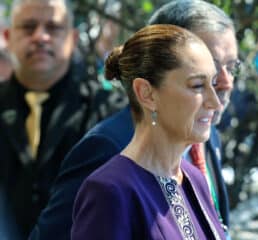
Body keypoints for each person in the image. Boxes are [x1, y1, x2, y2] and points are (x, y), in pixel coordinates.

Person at [30, 0, 239, 239]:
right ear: (146, 92)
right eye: (198, 85)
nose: (224, 86)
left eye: (231, 68)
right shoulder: (107, 171)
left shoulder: (194, 173)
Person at [71, 23, 225, 239]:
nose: (214, 102)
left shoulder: (194, 178)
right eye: (197, 85)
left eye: (213, 83)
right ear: (146, 94)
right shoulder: (110, 191)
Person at [0, 0, 125, 238]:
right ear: (7, 36)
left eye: (53, 27)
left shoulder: (108, 113)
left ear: (73, 38)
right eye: (28, 27)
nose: (40, 37)